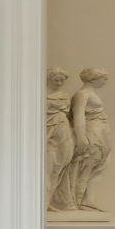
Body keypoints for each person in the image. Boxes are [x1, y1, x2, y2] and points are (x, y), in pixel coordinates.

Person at [64, 67, 112, 212]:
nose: (105, 82)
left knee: (99, 165)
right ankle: (78, 201)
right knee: (86, 165)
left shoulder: (90, 93)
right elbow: (78, 115)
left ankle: (88, 200)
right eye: (103, 78)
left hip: (101, 133)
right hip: (92, 132)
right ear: (92, 79)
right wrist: (80, 137)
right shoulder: (82, 94)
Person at [45, 68, 75, 210]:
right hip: (49, 137)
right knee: (47, 171)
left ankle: (49, 201)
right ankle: (43, 203)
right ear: (49, 79)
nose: (59, 83)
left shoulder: (64, 95)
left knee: (59, 169)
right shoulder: (41, 94)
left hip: (64, 133)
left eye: (61, 81)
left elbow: (69, 115)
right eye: (56, 80)